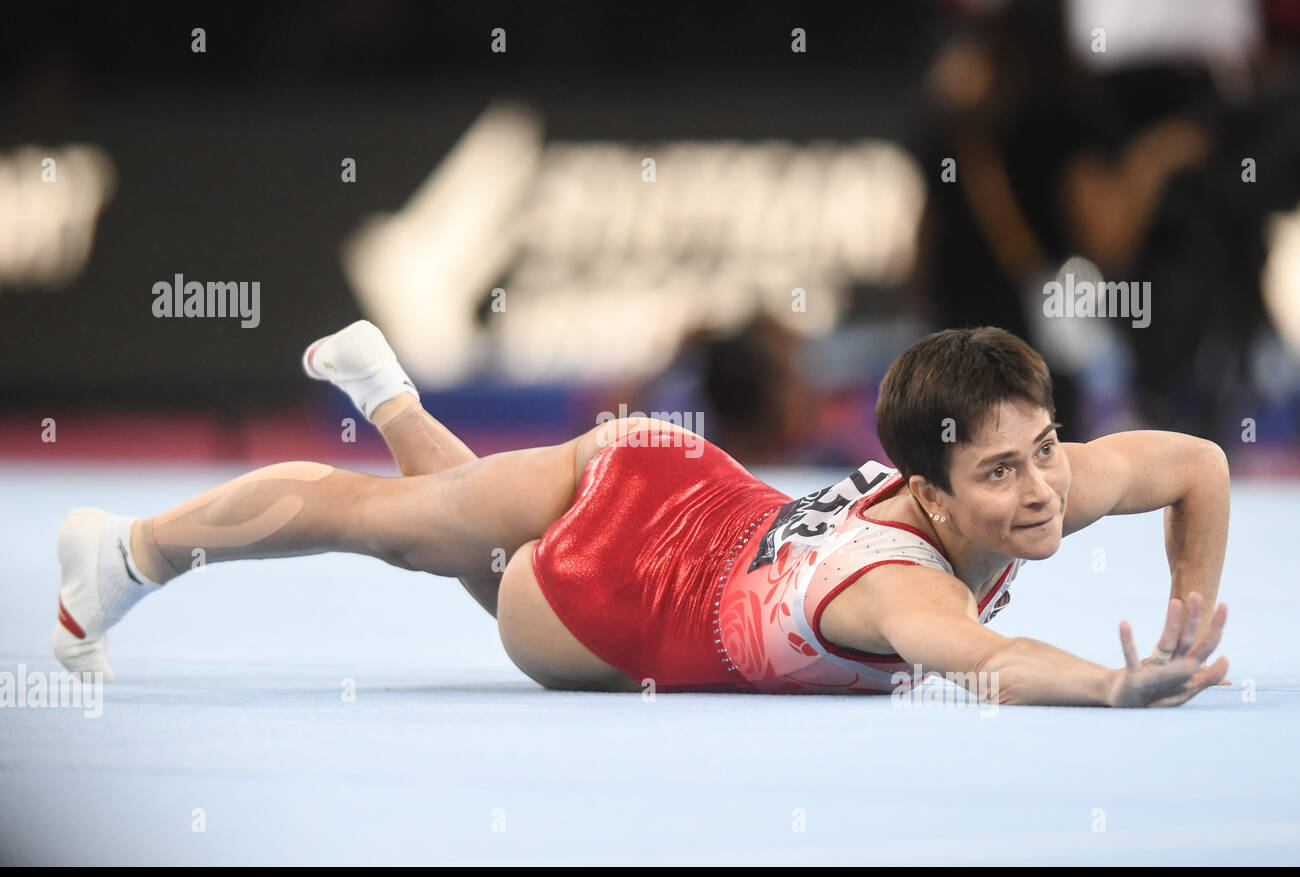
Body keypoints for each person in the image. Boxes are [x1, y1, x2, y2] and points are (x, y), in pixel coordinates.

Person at [51, 322, 1230, 707]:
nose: (1037, 493)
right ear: (926, 490)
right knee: (387, 524)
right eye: (1001, 476)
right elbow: (990, 654)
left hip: (664, 468)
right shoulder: (898, 585)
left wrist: (1187, 610)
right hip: (610, 597)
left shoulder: (1049, 483)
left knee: (420, 515)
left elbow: (1195, 469)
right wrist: (1114, 684)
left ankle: (387, 394)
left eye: (1042, 456)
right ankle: (124, 551)